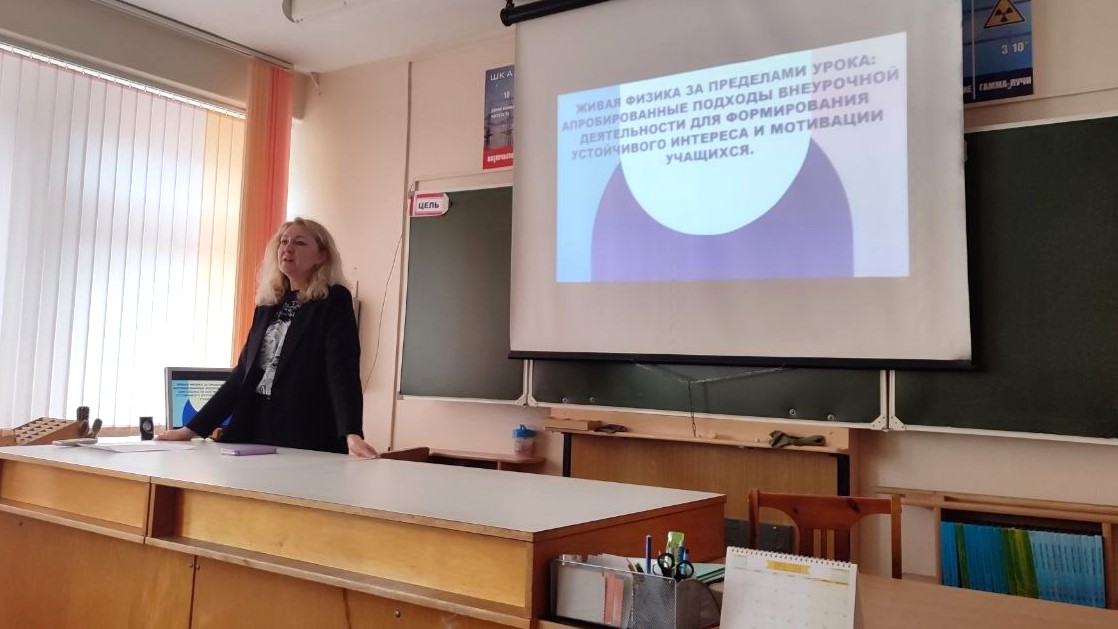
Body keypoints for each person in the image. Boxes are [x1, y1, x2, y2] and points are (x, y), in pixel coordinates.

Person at [157, 217, 378, 457]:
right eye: (283, 241)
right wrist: (191, 429)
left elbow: (341, 372)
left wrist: (352, 433)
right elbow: (242, 376)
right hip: (254, 428)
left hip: (305, 433)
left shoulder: (333, 299)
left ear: (321, 256)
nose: (288, 248)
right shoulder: (268, 304)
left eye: (300, 243)